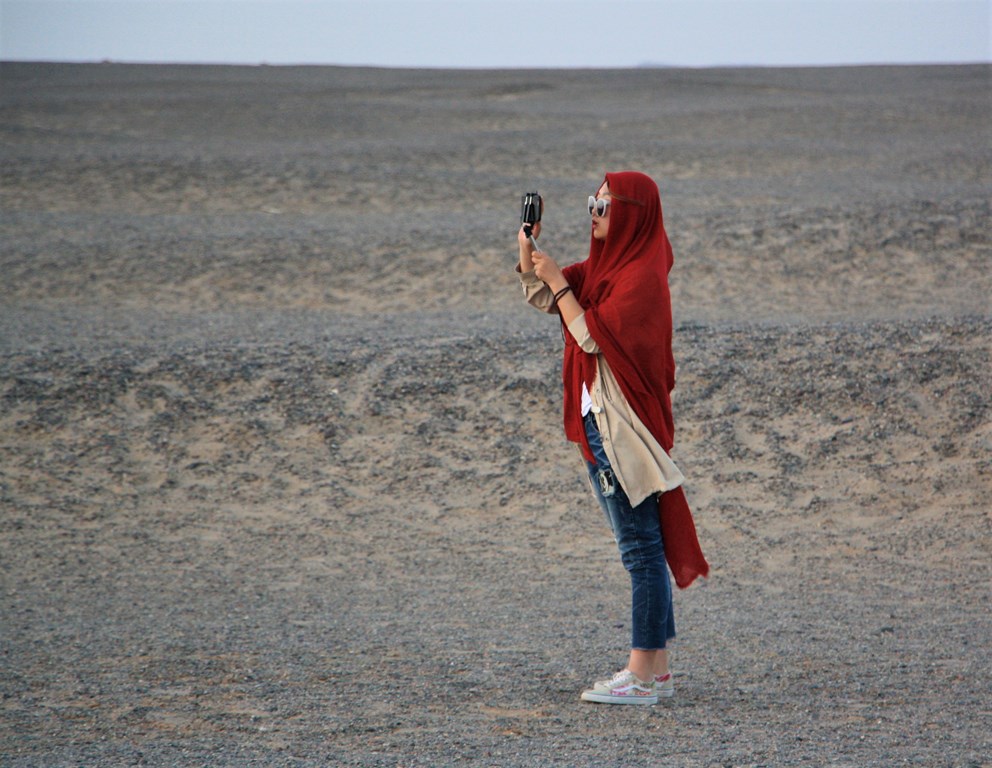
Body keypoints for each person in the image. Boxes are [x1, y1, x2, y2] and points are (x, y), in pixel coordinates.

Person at [516, 171, 709, 705]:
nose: (595, 214)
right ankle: (659, 670)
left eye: (604, 206)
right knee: (645, 544)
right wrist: (530, 252)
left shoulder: (642, 279)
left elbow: (588, 334)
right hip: (602, 420)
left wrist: (557, 281)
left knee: (640, 549)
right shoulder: (609, 267)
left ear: (632, 213)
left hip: (619, 430)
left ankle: (640, 676)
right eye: (592, 204)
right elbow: (551, 299)